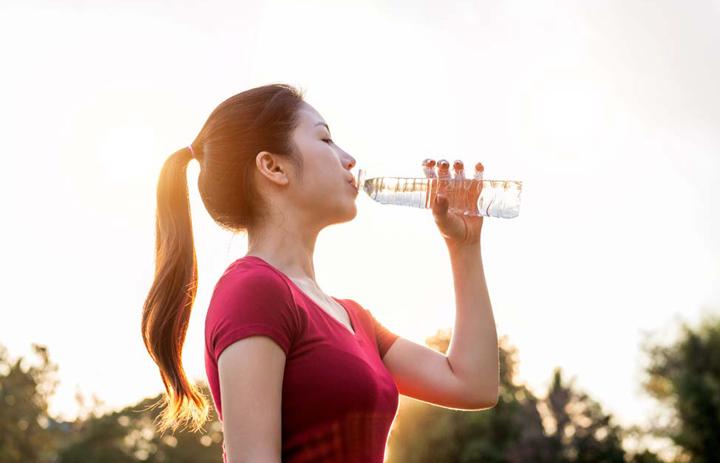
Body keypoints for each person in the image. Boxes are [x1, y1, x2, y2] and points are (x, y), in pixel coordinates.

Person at [141, 83, 498, 463]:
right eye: (325, 139)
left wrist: (464, 247)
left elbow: (472, 385)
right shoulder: (253, 289)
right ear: (274, 167)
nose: (348, 159)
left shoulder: (354, 317)